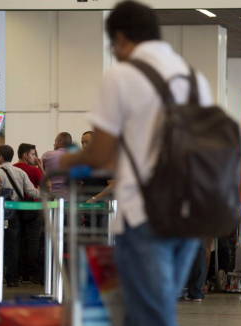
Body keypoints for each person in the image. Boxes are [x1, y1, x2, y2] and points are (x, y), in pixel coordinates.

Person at [59, 2, 213, 325]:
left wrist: (64, 161)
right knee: (152, 308)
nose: (113, 52)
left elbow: (98, 154)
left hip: (146, 214)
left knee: (149, 315)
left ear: (122, 37)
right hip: (190, 214)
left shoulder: (121, 76)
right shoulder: (195, 79)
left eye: (112, 44)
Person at [0, 145, 41, 287]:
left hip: (1, 213)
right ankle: (12, 278)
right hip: (16, 213)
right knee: (13, 246)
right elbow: (32, 192)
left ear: (1, 157)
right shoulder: (20, 172)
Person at [13, 143, 48, 284]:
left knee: (19, 242)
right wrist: (41, 168)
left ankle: (21, 274)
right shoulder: (34, 170)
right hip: (32, 209)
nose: (35, 157)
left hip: (15, 209)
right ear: (25, 155)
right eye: (33, 154)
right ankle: (34, 274)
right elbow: (48, 185)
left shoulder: (12, 169)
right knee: (33, 242)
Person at [42, 132, 72, 201]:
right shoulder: (74, 158)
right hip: (68, 198)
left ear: (60, 143)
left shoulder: (47, 155)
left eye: (55, 141)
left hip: (49, 198)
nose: (54, 144)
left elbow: (39, 174)